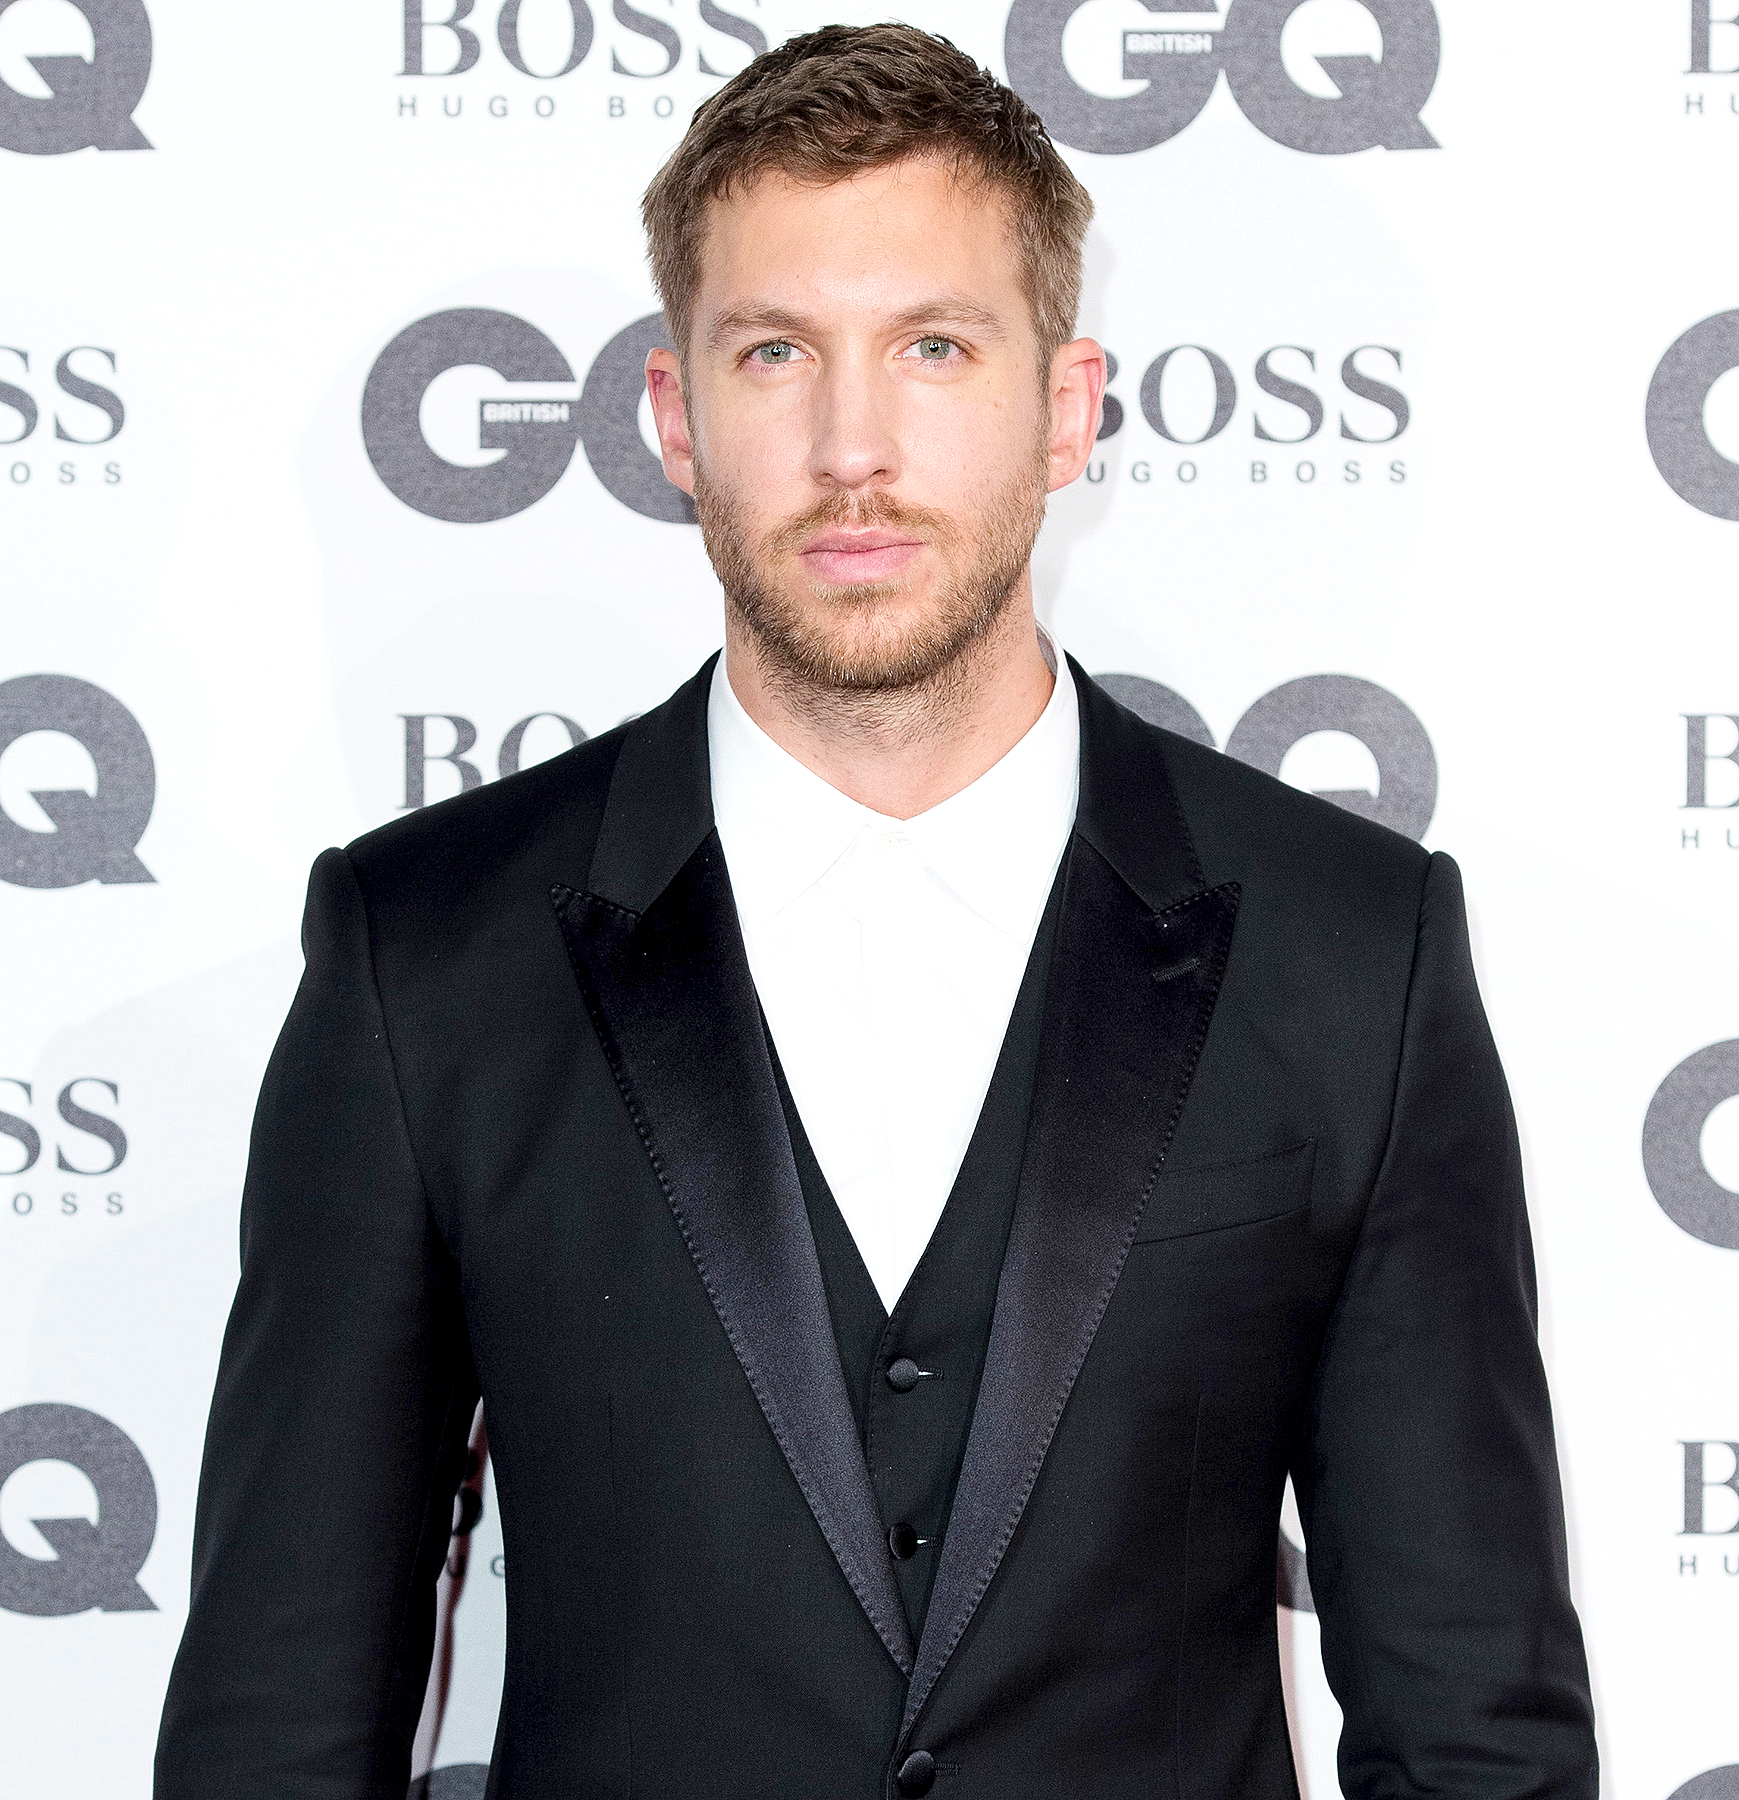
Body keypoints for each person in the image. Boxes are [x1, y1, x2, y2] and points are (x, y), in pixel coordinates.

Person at [155, 24, 1597, 1800]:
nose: (853, 446)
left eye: (933, 347)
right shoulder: (425, 954)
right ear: (676, 417)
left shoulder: (1350, 951)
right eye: (775, 352)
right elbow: (280, 1714)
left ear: (1065, 408)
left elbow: (1474, 1724)